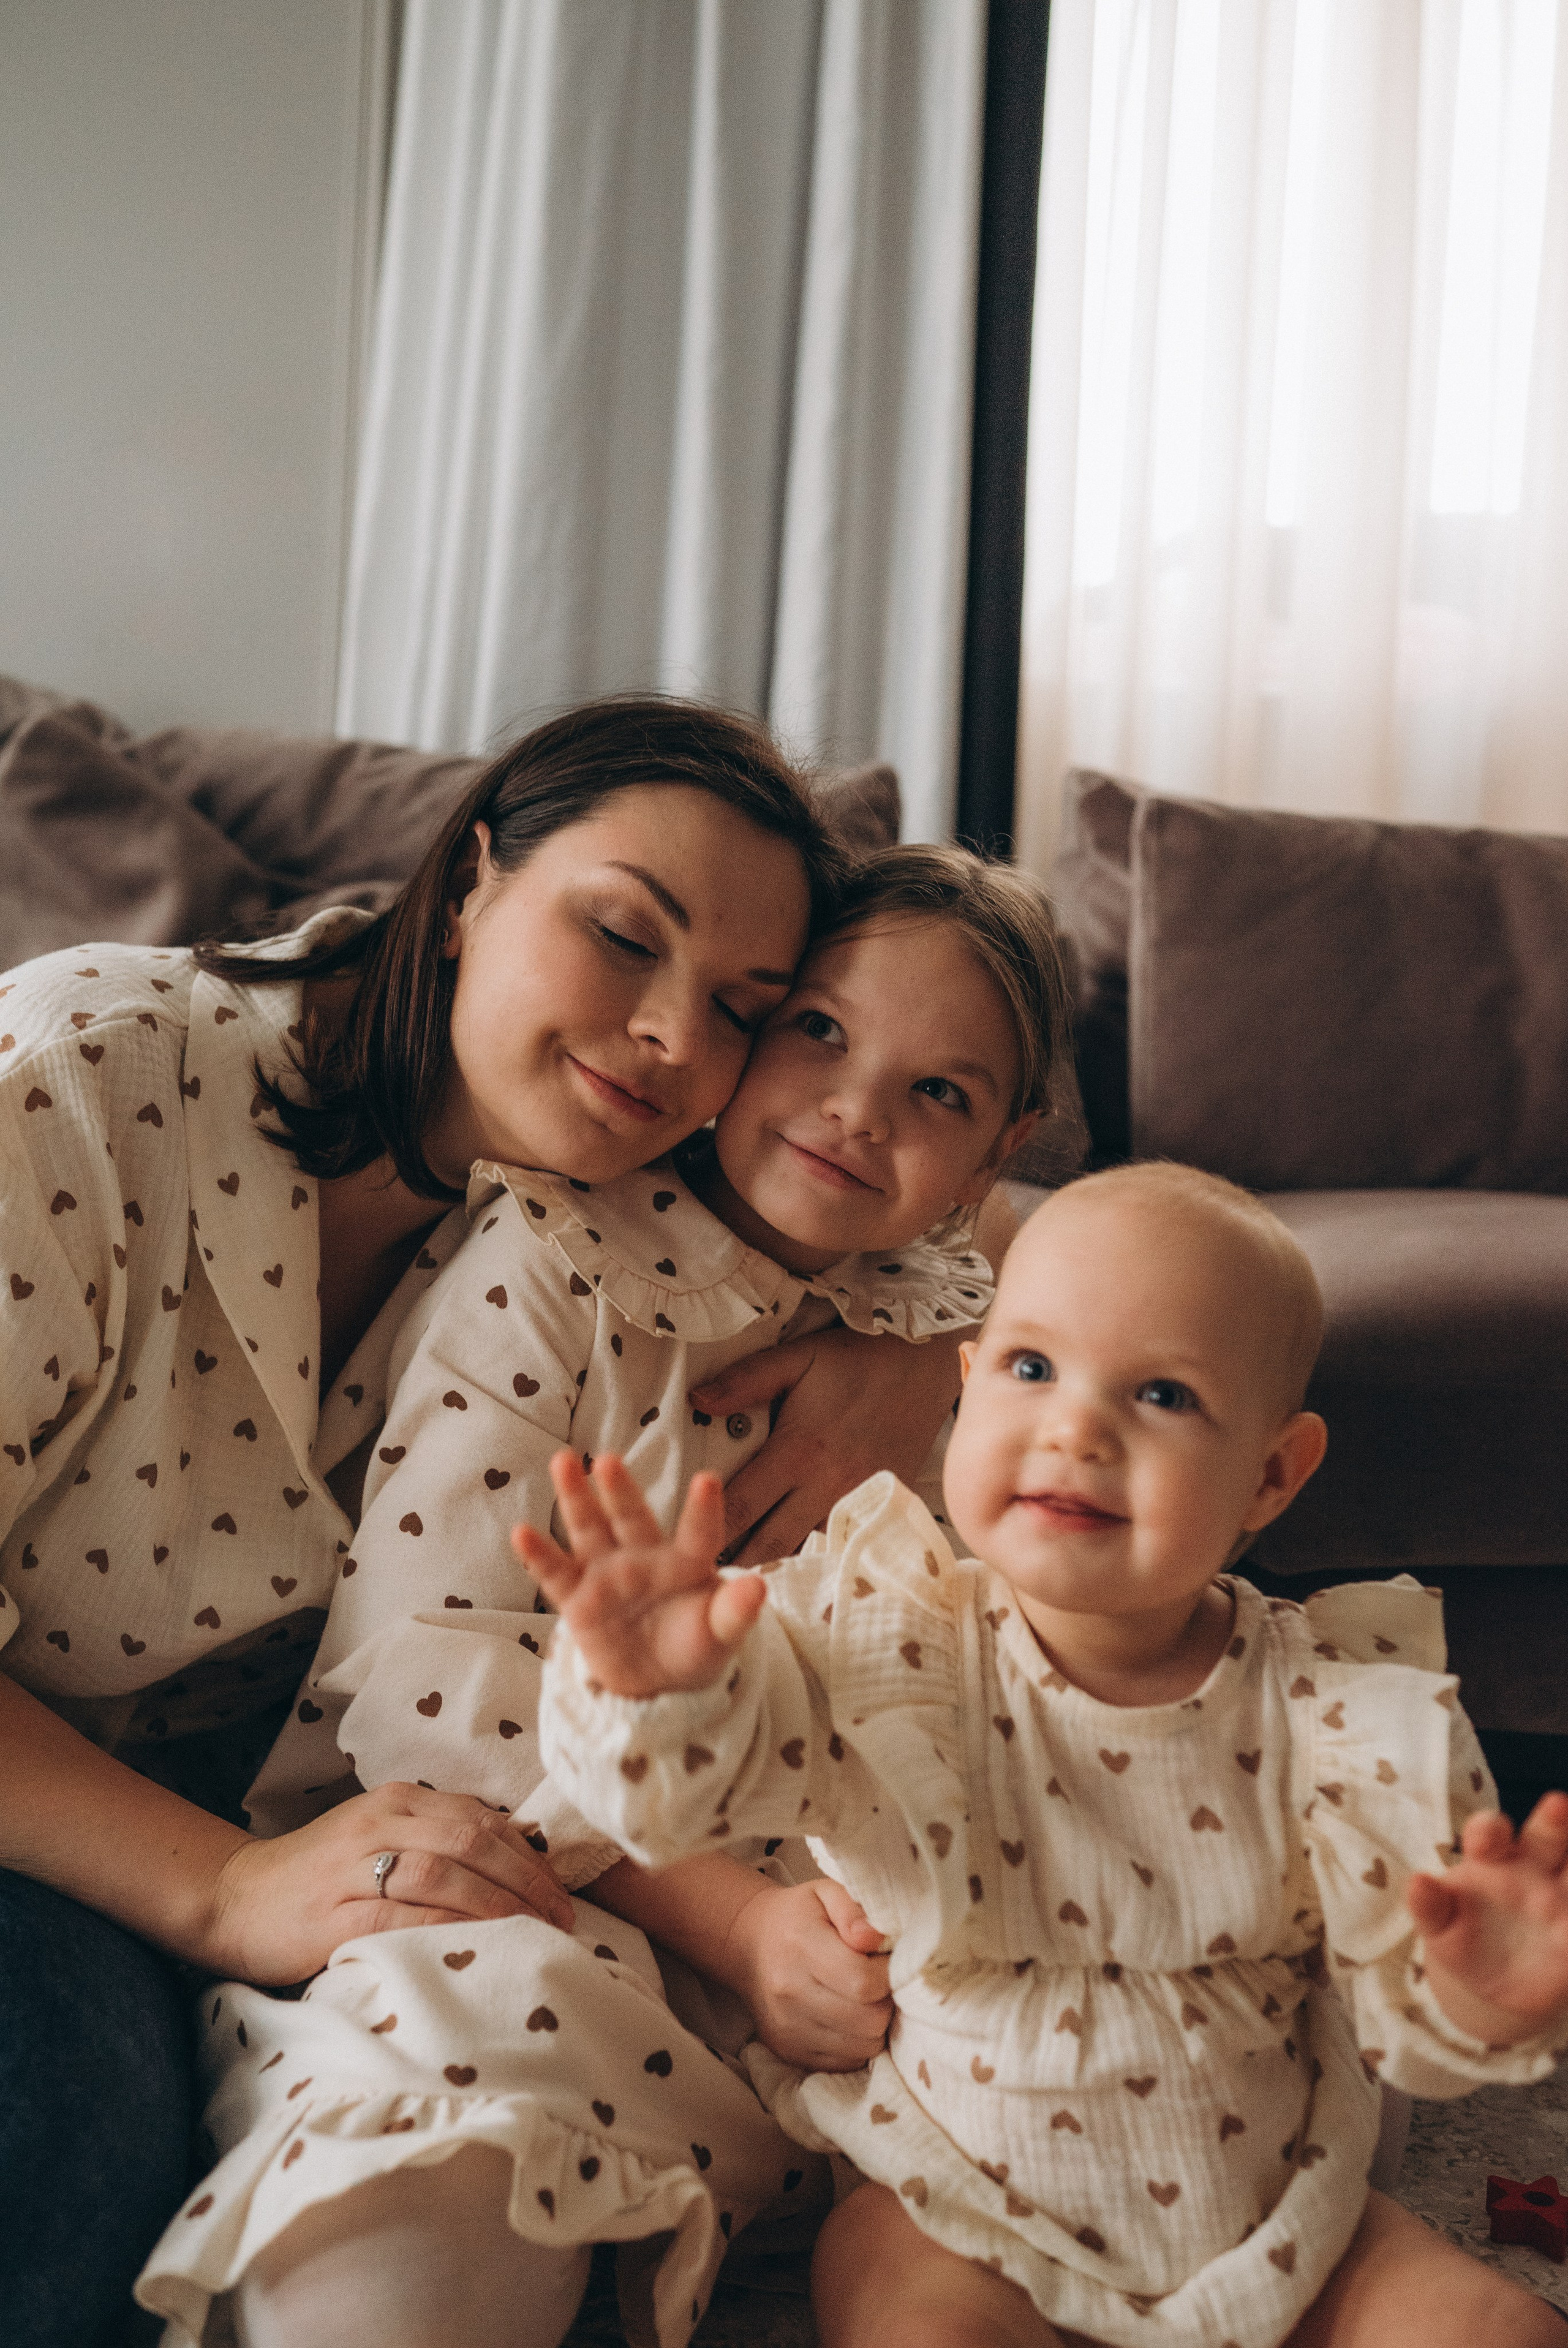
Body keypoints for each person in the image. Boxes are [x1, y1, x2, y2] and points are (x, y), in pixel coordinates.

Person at [0, 697, 967, 2348]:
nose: (667, 1037)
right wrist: (225, 1889)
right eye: (623, 934)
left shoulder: (607, 1205)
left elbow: (1009, 1194)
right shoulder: (92, 1074)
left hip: (256, 1848)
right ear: (467, 882)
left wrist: (930, 1358)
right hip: (72, 1829)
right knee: (70, 2150)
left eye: (741, 1011)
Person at [535, 1163, 1568, 2348]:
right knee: (908, 2312)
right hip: (963, 2212)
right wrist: (660, 1689)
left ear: (1272, 1475)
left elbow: (1409, 2019)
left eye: (1163, 1394)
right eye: (1032, 1369)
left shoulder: (1337, 1707)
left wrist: (1482, 1990)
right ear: (966, 1388)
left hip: (1284, 2218)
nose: (1076, 1429)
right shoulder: (882, 1637)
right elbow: (680, 1794)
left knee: (1497, 2330)